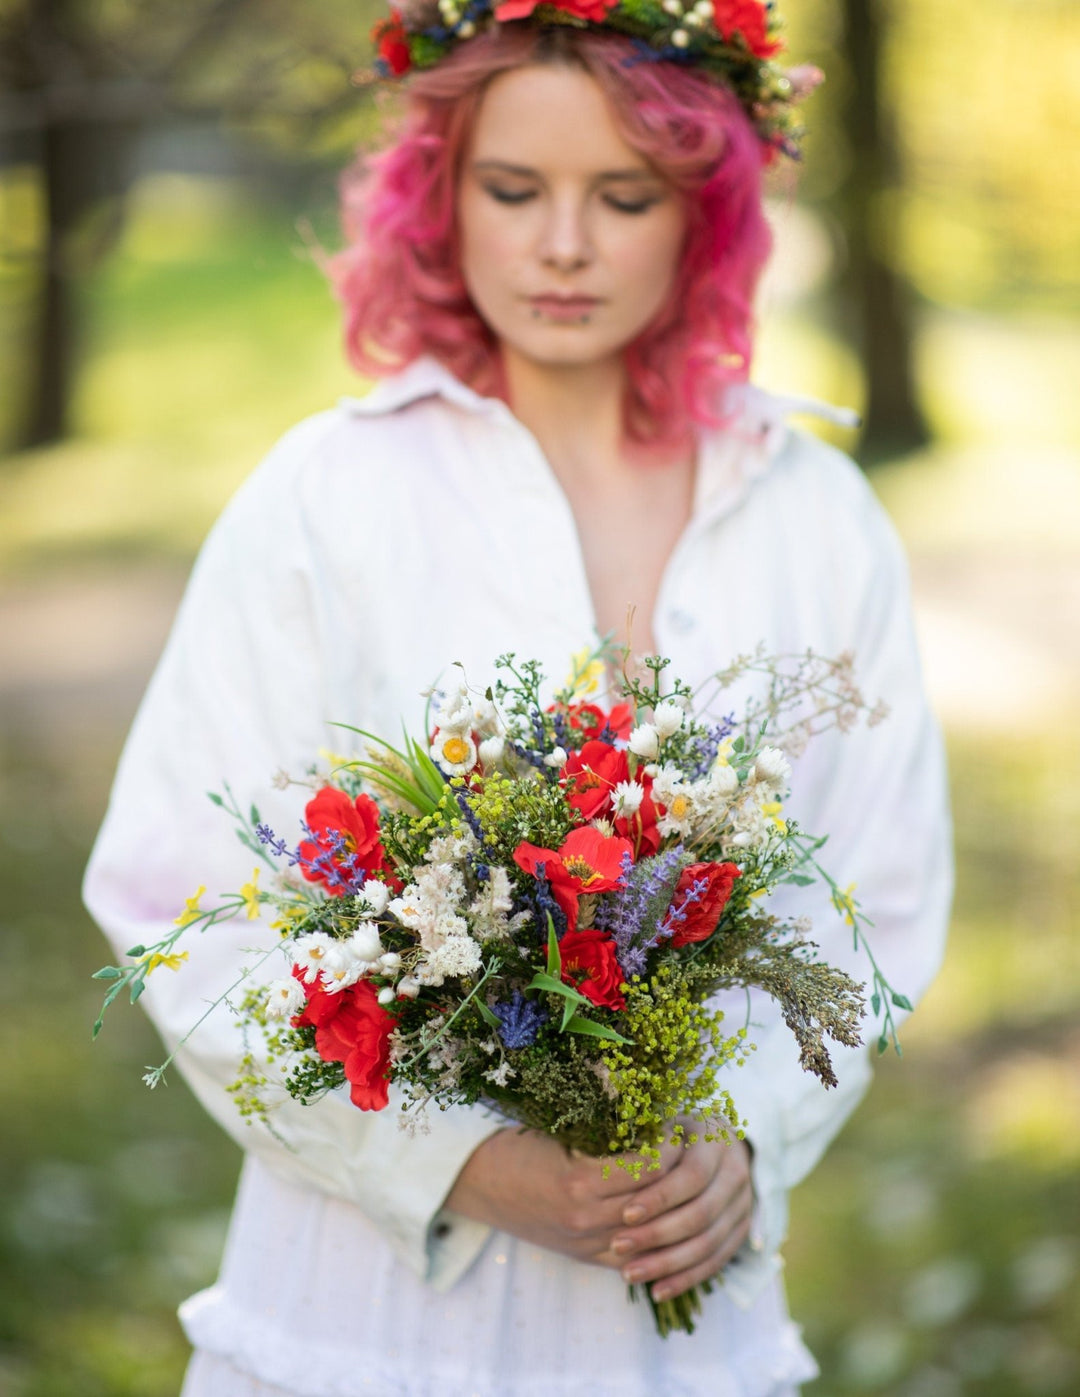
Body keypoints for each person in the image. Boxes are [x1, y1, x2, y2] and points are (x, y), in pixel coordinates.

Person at [83, 7, 952, 1395]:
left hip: (680, 1320)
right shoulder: (327, 496)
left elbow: (878, 899)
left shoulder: (815, 516)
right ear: (440, 198)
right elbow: (174, 901)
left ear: (704, 216)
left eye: (624, 196)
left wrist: (743, 1141)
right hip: (354, 1328)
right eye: (513, 190)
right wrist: (465, 1162)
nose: (563, 245)